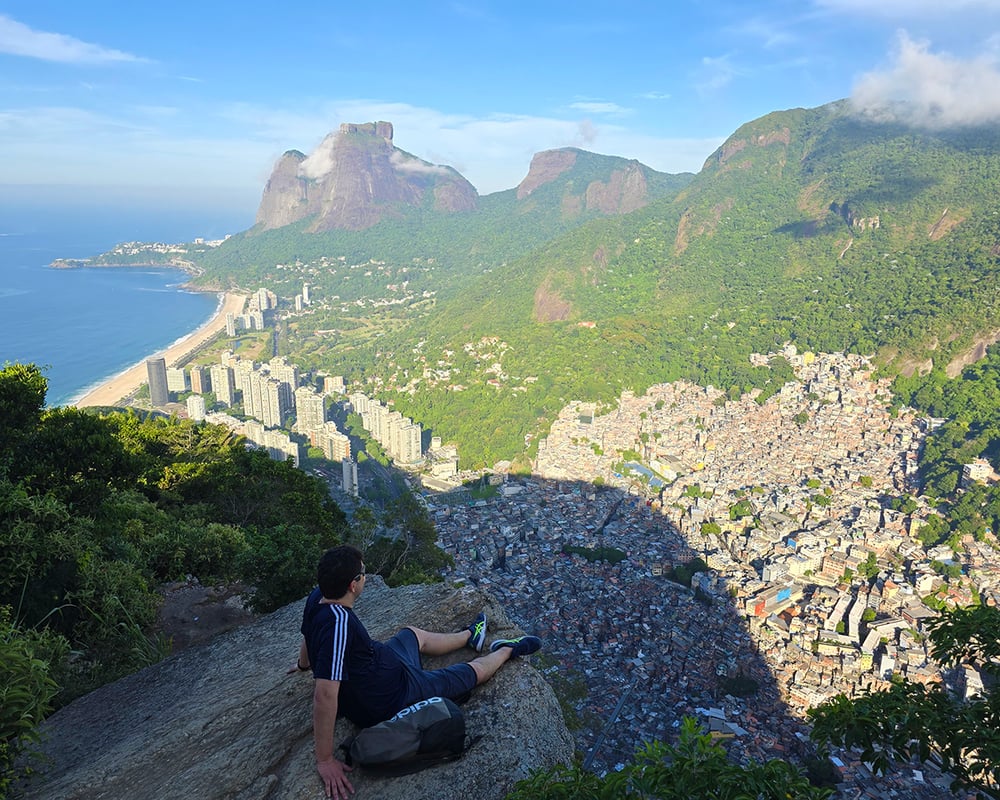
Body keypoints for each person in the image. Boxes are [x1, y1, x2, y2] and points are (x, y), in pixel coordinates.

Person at [291, 545, 541, 799]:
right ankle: (507, 650)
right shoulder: (339, 625)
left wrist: (303, 665)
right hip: (391, 695)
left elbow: (307, 636)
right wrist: (324, 760)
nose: (365, 575)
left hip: (383, 667)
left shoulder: (317, 597)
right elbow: (324, 695)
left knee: (413, 634)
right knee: (468, 674)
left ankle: (470, 635)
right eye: (363, 572)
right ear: (353, 585)